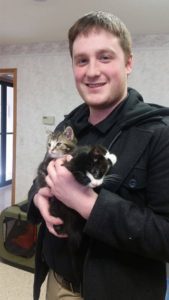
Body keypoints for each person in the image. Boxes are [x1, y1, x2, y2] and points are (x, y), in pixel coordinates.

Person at [27, 11, 169, 300]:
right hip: (57, 284)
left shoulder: (160, 135)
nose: (92, 71)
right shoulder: (67, 128)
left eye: (105, 57)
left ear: (128, 62)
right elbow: (42, 174)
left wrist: (85, 203)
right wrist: (38, 195)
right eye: (82, 60)